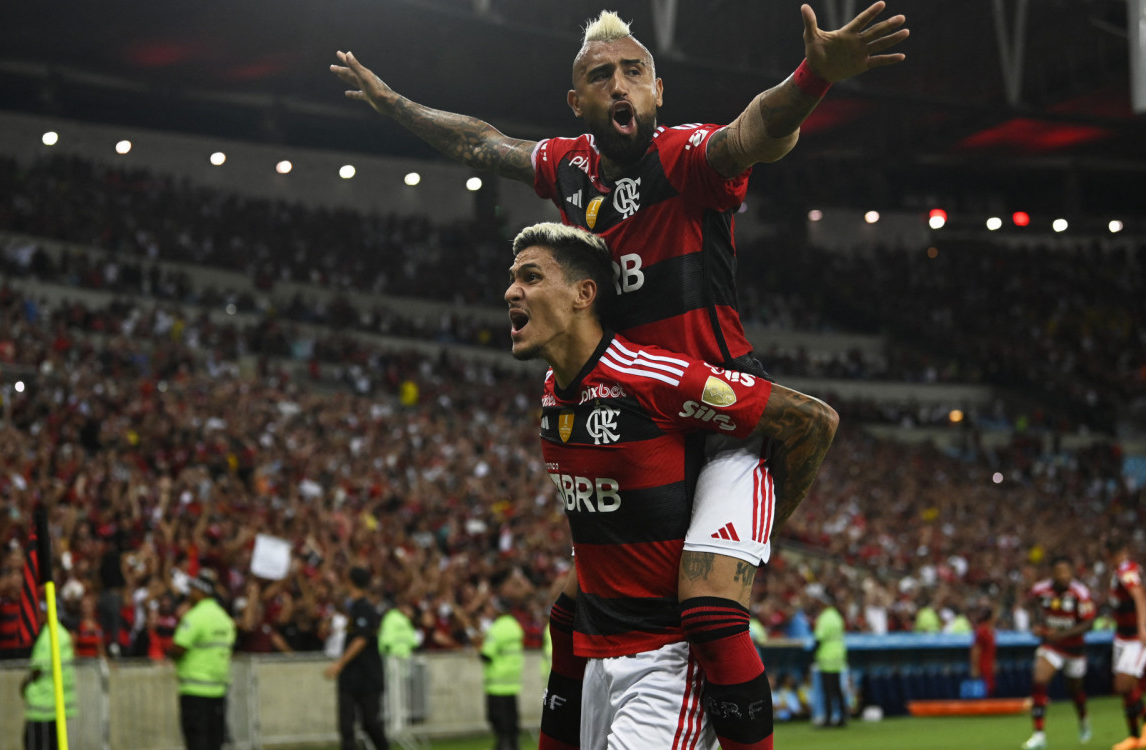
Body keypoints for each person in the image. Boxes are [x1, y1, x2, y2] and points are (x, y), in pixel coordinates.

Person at [332, 7, 901, 748]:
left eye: (634, 71)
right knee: (575, 610)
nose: (619, 83)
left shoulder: (684, 157)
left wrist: (815, 75)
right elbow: (482, 142)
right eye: (600, 76)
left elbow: (756, 131)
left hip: (721, 412)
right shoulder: (570, 167)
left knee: (704, 609)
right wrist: (395, 106)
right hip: (637, 409)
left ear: (658, 91)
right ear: (579, 103)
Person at [503, 222, 838, 749]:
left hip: (666, 666)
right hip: (595, 666)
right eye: (512, 278)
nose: (511, 292)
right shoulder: (552, 394)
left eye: (531, 277)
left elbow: (813, 421)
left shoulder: (653, 378)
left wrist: (757, 537)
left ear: (583, 294)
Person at [1021, 556, 1095, 749]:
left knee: (1075, 690)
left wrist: (1061, 634)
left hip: (1074, 649)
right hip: (1052, 646)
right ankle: (1039, 735)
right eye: (1059, 572)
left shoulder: (1080, 592)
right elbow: (1031, 606)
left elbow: (1089, 623)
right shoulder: (1041, 589)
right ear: (1053, 573)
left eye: (1066, 572)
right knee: (1039, 680)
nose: (1063, 576)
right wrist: (1035, 625)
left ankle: (1083, 719)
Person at [169, 569, 236, 750]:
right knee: (215, 744)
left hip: (194, 691)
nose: (190, 593)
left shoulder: (194, 617)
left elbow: (179, 647)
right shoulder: (224, 619)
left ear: (200, 592)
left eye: (193, 589)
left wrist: (169, 651)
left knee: (197, 743)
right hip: (218, 692)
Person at [324, 566, 389, 750]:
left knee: (370, 723)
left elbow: (361, 639)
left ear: (350, 582)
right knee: (346, 726)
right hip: (351, 675)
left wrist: (339, 663)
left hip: (366, 675)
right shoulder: (352, 608)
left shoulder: (365, 608)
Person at [1107, 538, 1146, 750]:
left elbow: (1138, 595)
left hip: (1134, 639)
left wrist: (1142, 626)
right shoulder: (1117, 572)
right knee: (1125, 688)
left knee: (1124, 684)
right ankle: (1134, 737)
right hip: (1122, 637)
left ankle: (1139, 734)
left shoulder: (1126, 570)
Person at [21, 621, 76, 750]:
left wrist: (25, 684)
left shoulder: (49, 635)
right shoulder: (63, 634)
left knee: (34, 743)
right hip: (57, 704)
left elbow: (39, 666)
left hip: (43, 704)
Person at [480, 595, 525, 750]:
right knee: (511, 723)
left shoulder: (496, 629)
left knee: (497, 722)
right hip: (512, 683)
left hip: (496, 684)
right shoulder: (515, 627)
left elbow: (486, 655)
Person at [812, 592, 847, 728]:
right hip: (838, 656)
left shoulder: (824, 617)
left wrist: (813, 655)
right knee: (837, 689)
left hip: (826, 657)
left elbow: (819, 638)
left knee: (827, 690)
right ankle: (842, 717)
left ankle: (828, 718)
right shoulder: (837, 617)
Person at [970, 606, 997, 698]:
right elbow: (975, 650)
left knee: (990, 691)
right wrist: (975, 667)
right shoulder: (982, 631)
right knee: (982, 693)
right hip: (982, 666)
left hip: (988, 666)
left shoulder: (990, 631)